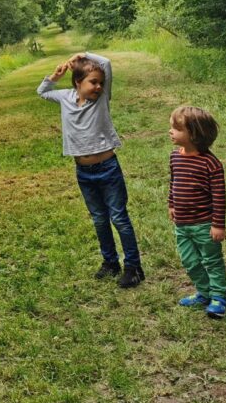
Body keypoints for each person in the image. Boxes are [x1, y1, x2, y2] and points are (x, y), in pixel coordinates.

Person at [37, 52, 145, 288]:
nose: (98, 87)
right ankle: (110, 262)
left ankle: (133, 267)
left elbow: (105, 63)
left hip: (108, 168)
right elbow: (42, 92)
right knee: (99, 219)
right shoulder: (65, 97)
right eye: (92, 82)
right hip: (84, 173)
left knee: (119, 217)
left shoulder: (102, 99)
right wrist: (55, 76)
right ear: (78, 83)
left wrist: (84, 55)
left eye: (100, 83)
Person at [167, 105, 226, 319]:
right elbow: (173, 183)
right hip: (182, 224)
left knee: (212, 261)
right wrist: (172, 204)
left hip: (204, 224)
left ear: (194, 134)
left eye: (176, 128)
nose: (171, 131)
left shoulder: (210, 164)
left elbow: (219, 197)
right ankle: (204, 292)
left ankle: (219, 296)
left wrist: (218, 225)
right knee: (190, 261)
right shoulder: (175, 157)